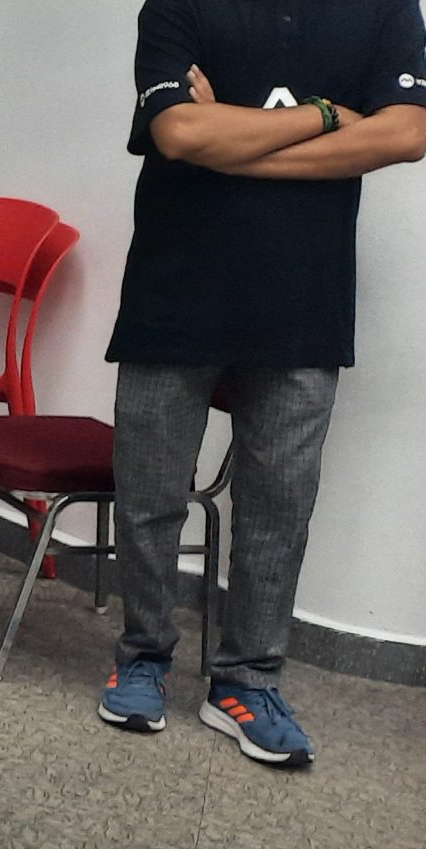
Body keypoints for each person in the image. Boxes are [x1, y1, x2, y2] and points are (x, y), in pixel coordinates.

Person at [95, 0, 426, 767]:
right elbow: (178, 132)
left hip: (303, 305)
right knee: (150, 496)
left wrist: (230, 145)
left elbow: (407, 133)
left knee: (278, 511)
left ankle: (247, 682)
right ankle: (142, 656)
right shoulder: (180, 5)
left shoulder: (383, 11)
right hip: (172, 292)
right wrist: (324, 117)